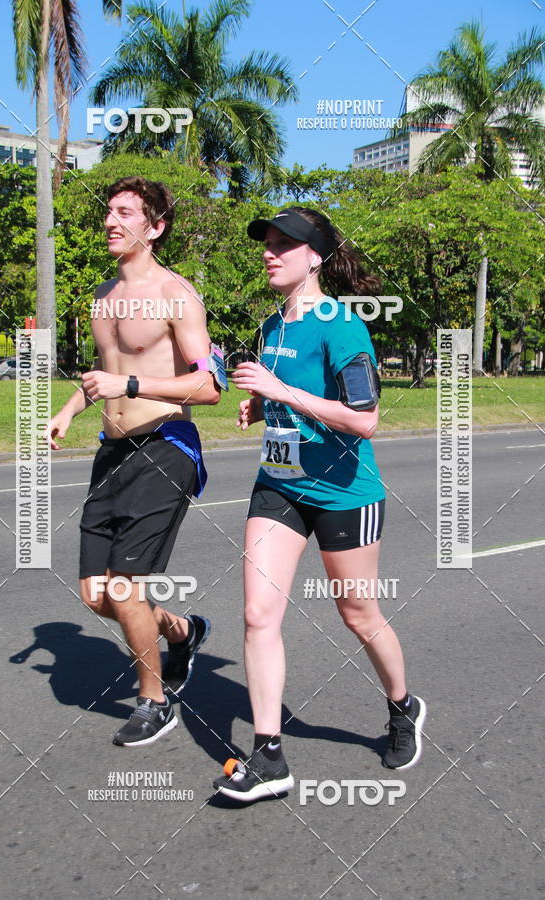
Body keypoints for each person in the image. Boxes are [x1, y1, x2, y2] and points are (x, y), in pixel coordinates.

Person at [213, 207, 426, 802]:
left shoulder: (342, 326)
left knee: (357, 613)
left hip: (343, 492)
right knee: (258, 614)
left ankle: (403, 707)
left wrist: (284, 392)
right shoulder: (270, 326)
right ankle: (268, 755)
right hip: (279, 484)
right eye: (268, 244)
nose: (270, 253)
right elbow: (285, 394)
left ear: (316, 258)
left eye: (285, 245)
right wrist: (262, 407)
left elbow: (365, 420)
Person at [46, 176, 222, 747]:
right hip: (112, 451)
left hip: (166, 447)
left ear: (156, 226)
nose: (111, 221)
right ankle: (183, 630)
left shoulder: (177, 295)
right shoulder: (102, 297)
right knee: (98, 596)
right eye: (109, 211)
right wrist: (70, 409)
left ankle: (154, 701)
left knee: (124, 590)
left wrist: (131, 381)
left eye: (126, 213)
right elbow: (105, 374)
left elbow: (209, 385)